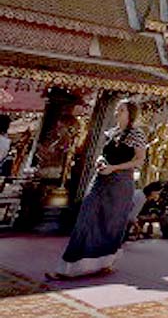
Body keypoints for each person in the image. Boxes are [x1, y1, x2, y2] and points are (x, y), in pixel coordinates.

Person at [47, 99, 147, 279]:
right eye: (117, 109)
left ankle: (103, 262)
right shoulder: (112, 132)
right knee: (87, 216)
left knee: (113, 223)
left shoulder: (137, 134)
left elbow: (139, 160)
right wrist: (100, 161)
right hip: (101, 180)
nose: (117, 112)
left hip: (121, 183)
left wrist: (114, 168)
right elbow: (103, 153)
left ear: (130, 114)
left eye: (122, 110)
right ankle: (69, 268)